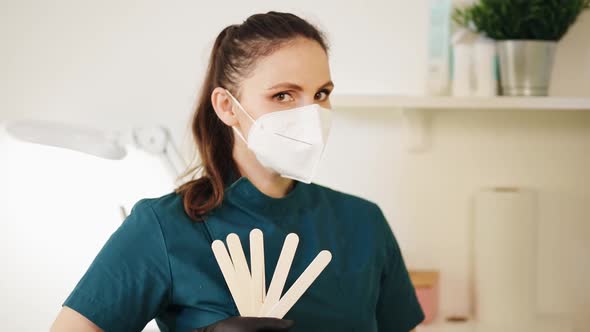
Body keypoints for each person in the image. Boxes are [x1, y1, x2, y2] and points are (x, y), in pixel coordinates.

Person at [50, 11, 424, 332]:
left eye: (321, 94)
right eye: (283, 95)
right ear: (227, 107)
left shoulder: (363, 223)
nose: (310, 115)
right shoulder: (165, 228)